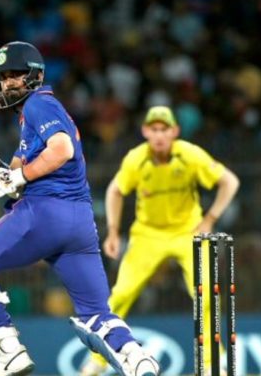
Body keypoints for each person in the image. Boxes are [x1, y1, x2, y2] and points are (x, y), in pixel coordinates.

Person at [0, 41, 160, 376]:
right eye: (3, 77)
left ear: (36, 76)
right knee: (96, 315)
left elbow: (61, 150)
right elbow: (14, 175)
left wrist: (18, 176)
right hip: (80, 224)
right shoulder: (34, 116)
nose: (7, 83)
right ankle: (137, 360)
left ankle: (9, 352)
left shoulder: (39, 104)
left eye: (15, 75)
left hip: (44, 214)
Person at [80, 106, 240, 376]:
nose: (159, 135)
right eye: (153, 129)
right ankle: (98, 360)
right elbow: (115, 191)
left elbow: (230, 182)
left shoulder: (190, 154)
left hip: (188, 232)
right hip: (147, 234)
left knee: (206, 294)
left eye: (164, 129)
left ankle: (213, 365)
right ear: (145, 132)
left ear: (175, 131)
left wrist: (210, 219)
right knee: (121, 295)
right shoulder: (136, 159)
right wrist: (114, 231)